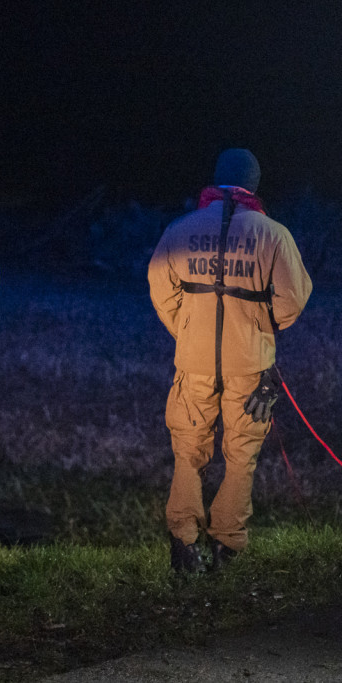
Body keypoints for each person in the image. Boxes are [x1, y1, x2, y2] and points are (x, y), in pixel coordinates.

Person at [148, 148, 311, 573]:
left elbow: (160, 290)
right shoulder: (274, 235)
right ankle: (227, 546)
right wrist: (258, 327)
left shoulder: (180, 229)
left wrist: (187, 331)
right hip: (251, 366)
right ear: (254, 185)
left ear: (215, 181)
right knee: (241, 455)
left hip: (193, 363)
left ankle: (184, 546)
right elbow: (292, 301)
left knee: (188, 452)